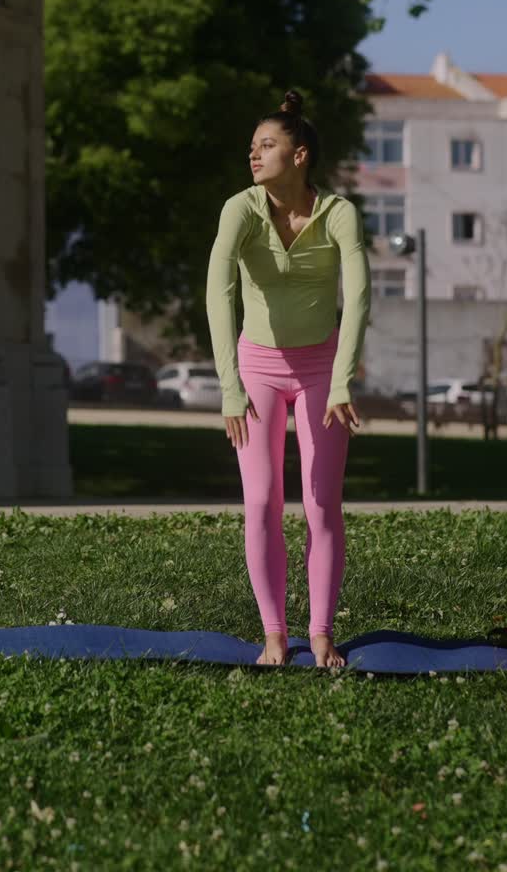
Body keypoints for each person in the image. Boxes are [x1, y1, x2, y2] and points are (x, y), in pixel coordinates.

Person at [206, 90, 371, 668]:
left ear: (299, 155)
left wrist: (345, 378)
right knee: (262, 502)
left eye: (267, 145)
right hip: (258, 371)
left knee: (323, 503)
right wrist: (230, 385)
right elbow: (218, 293)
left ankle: (321, 633)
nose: (254, 155)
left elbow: (358, 296)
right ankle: (275, 635)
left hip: (322, 367)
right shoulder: (241, 210)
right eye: (252, 146)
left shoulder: (339, 214)